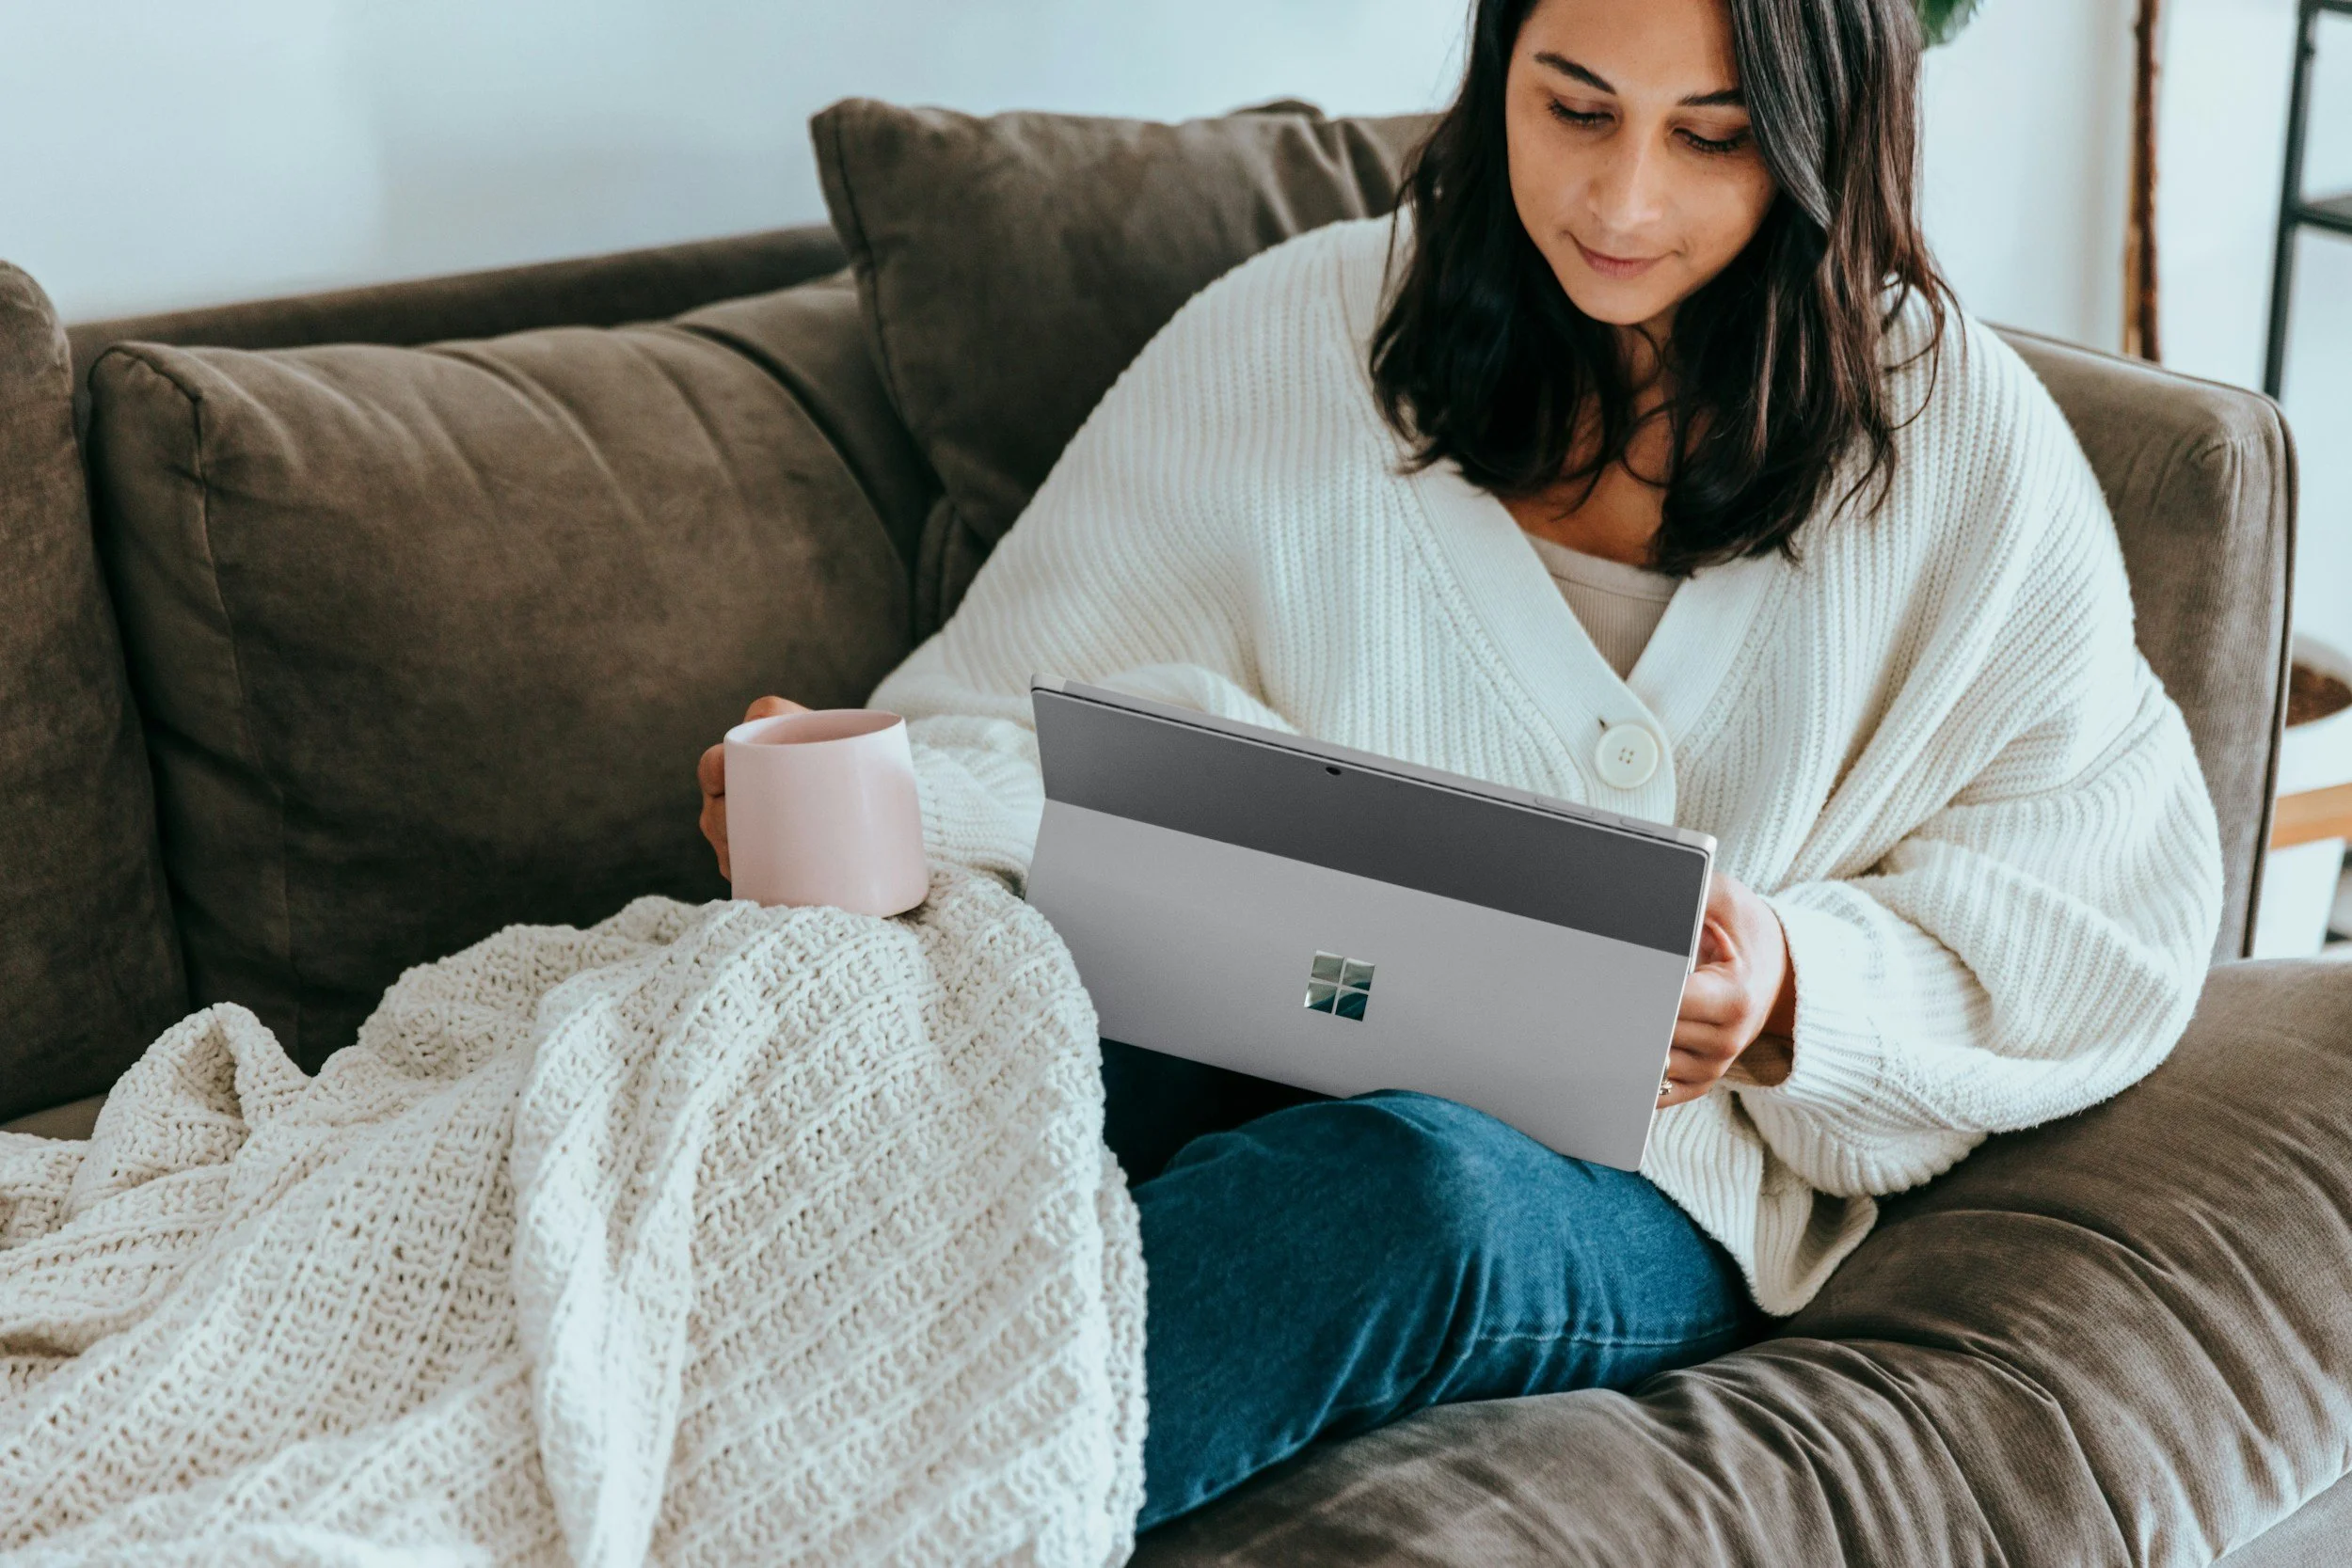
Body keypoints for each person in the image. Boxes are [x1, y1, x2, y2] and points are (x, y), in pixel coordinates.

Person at [699, 0, 2223, 1530]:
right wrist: (873, 789)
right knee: (1029, 1040)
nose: (1624, 201)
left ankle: (836, 1520)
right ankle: (689, 1401)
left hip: (1639, 1178)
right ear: (1499, 74)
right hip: (1245, 1026)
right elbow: (1012, 719)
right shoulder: (1300, 331)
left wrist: (1789, 990)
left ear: (1825, 141)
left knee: (1406, 1192)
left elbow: (2108, 903)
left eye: (1711, 137)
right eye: (1572, 108)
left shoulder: (1953, 444)